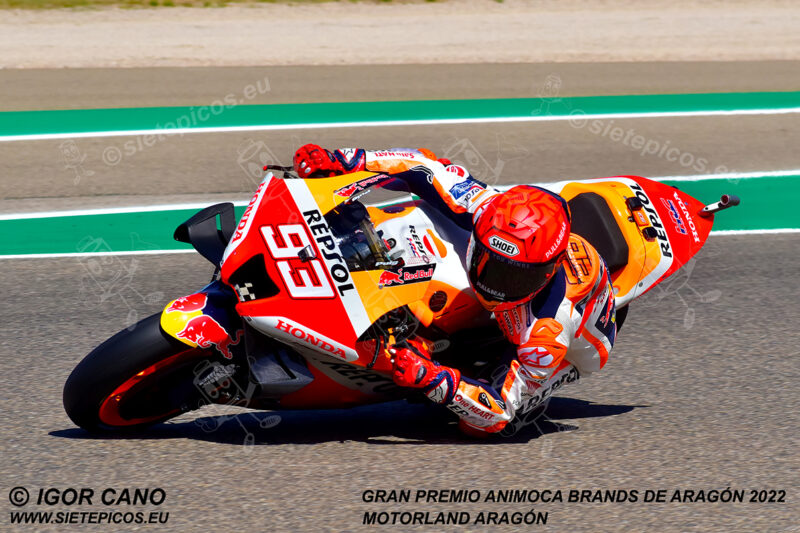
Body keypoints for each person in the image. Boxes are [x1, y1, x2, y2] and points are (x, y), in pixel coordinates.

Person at [292, 144, 617, 436]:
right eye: (494, 264)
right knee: (422, 213)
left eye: (517, 277)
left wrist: (437, 382)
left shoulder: (545, 337)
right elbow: (419, 165)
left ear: (547, 271)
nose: (499, 284)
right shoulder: (485, 206)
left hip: (579, 345)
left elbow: (499, 413)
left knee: (473, 425)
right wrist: (343, 160)